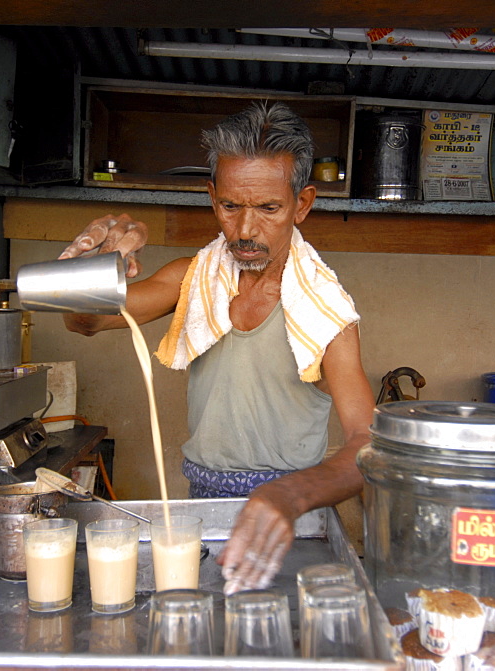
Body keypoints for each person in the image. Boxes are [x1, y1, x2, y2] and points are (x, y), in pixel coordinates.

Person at [59, 102, 374, 594]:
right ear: (212, 198)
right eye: (231, 206)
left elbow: (367, 442)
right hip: (202, 504)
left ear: (303, 204)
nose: (245, 230)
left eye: (268, 208)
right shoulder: (194, 281)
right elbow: (84, 321)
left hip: (292, 516)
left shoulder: (327, 313)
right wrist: (97, 263)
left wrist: (288, 496)